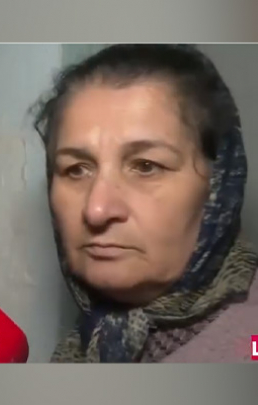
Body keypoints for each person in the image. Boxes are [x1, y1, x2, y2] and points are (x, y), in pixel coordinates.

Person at [33, 44, 258, 362]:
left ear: (220, 186)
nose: (96, 210)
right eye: (76, 169)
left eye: (146, 166)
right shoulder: (87, 344)